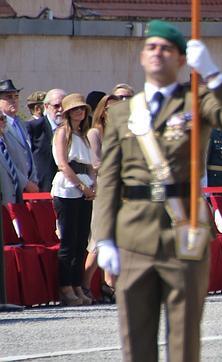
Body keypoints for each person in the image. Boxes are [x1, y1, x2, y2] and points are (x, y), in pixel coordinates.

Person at [93, 20, 222, 361]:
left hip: (184, 231)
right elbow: (108, 181)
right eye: (151, 47)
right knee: (135, 342)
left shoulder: (197, 103)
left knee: (183, 340)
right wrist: (102, 238)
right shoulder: (122, 113)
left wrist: (212, 72)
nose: (158, 53)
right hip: (134, 234)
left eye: (167, 49)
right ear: (141, 56)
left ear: (182, 60)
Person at [52, 93, 96, 306]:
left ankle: (77, 284)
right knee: (68, 241)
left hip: (85, 185)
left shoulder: (84, 135)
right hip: (68, 188)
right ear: (68, 113)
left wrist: (92, 185)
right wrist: (81, 186)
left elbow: (89, 165)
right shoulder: (63, 133)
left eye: (82, 109)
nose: (80, 112)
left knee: (81, 241)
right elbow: (62, 163)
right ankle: (65, 286)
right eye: (75, 109)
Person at [81, 94, 119, 303]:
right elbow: (96, 164)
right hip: (103, 189)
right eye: (110, 109)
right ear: (102, 111)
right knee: (98, 240)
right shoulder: (95, 133)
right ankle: (85, 284)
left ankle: (109, 285)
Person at [0, 79, 39, 195]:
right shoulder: (2, 125)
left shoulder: (21, 123)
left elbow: (28, 154)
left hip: (27, 188)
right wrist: (26, 183)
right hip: (10, 187)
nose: (14, 100)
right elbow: (6, 159)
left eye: (16, 96)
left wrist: (33, 179)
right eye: (9, 97)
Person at [27, 89, 67, 192]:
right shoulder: (34, 128)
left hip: (69, 191)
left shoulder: (74, 129)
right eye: (56, 106)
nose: (61, 109)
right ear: (46, 106)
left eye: (64, 105)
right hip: (43, 191)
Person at [0, 113, 23, 204]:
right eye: (1, 119)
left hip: (14, 200)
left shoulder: (4, 144)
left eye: (4, 118)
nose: (5, 121)